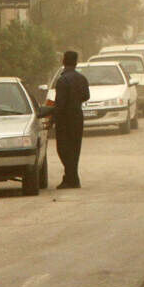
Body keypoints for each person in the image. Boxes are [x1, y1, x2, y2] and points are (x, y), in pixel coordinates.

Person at [51, 50, 90, 189]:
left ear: (63, 61)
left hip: (64, 119)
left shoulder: (62, 80)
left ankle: (71, 179)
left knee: (63, 149)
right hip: (77, 117)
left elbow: (60, 104)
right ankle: (72, 178)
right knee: (74, 148)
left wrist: (53, 118)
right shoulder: (82, 78)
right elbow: (86, 96)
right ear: (76, 62)